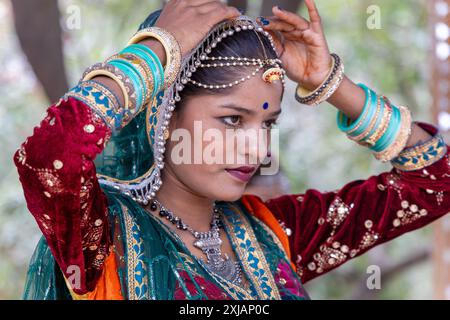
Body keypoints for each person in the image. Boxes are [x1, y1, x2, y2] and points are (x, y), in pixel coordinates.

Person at [14, 0, 450, 300]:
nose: (258, 149)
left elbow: (434, 183)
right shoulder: (102, 238)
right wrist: (159, 49)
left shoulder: (276, 235)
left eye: (269, 123)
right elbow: (50, 156)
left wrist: (332, 85)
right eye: (232, 120)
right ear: (163, 116)